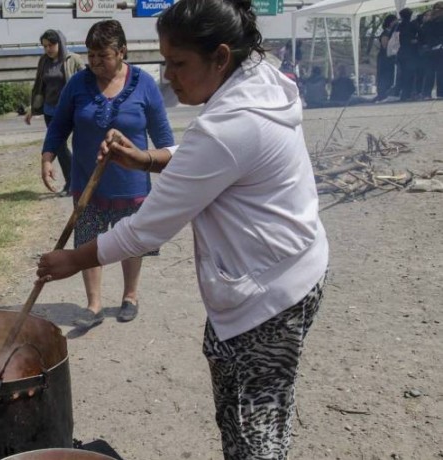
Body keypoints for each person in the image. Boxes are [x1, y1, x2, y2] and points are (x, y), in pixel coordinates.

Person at [36, 0, 328, 458]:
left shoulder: (232, 124)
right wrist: (146, 158)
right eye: (164, 61)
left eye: (178, 64)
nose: (168, 75)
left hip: (271, 294)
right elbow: (208, 160)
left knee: (256, 434)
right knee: (246, 411)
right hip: (288, 267)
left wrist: (72, 259)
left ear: (221, 56)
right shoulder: (261, 79)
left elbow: (145, 230)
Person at [40, 19, 174, 328]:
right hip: (88, 180)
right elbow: (60, 124)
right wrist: (47, 157)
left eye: (104, 55)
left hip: (132, 182)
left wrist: (168, 167)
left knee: (133, 241)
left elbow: (163, 136)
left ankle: (130, 295)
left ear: (122, 52)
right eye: (91, 55)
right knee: (88, 240)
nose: (96, 62)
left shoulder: (144, 84)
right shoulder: (77, 84)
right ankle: (94, 303)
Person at [26, 29, 85, 196]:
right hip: (51, 111)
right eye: (45, 46)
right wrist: (33, 108)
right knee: (59, 148)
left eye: (51, 45)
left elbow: (86, 81)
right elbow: (39, 86)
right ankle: (72, 183)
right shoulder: (44, 61)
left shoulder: (73, 59)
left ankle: (82, 181)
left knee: (81, 144)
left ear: (60, 43)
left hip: (71, 110)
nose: (48, 49)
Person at [419, 3, 443, 99]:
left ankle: (428, 93)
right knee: (436, 72)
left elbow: (423, 36)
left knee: (432, 72)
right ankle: (437, 93)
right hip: (436, 49)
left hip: (431, 50)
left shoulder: (427, 23)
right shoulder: (429, 23)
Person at [375, 14, 398, 101]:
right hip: (384, 58)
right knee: (383, 76)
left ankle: (387, 93)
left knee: (389, 76)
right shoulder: (386, 33)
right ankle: (382, 94)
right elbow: (385, 45)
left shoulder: (392, 32)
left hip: (390, 58)